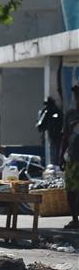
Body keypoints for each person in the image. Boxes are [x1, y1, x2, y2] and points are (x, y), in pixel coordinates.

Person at [60, 85, 79, 229]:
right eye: (76, 95)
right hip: (72, 159)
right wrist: (61, 156)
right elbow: (65, 137)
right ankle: (74, 219)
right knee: (71, 191)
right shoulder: (70, 115)